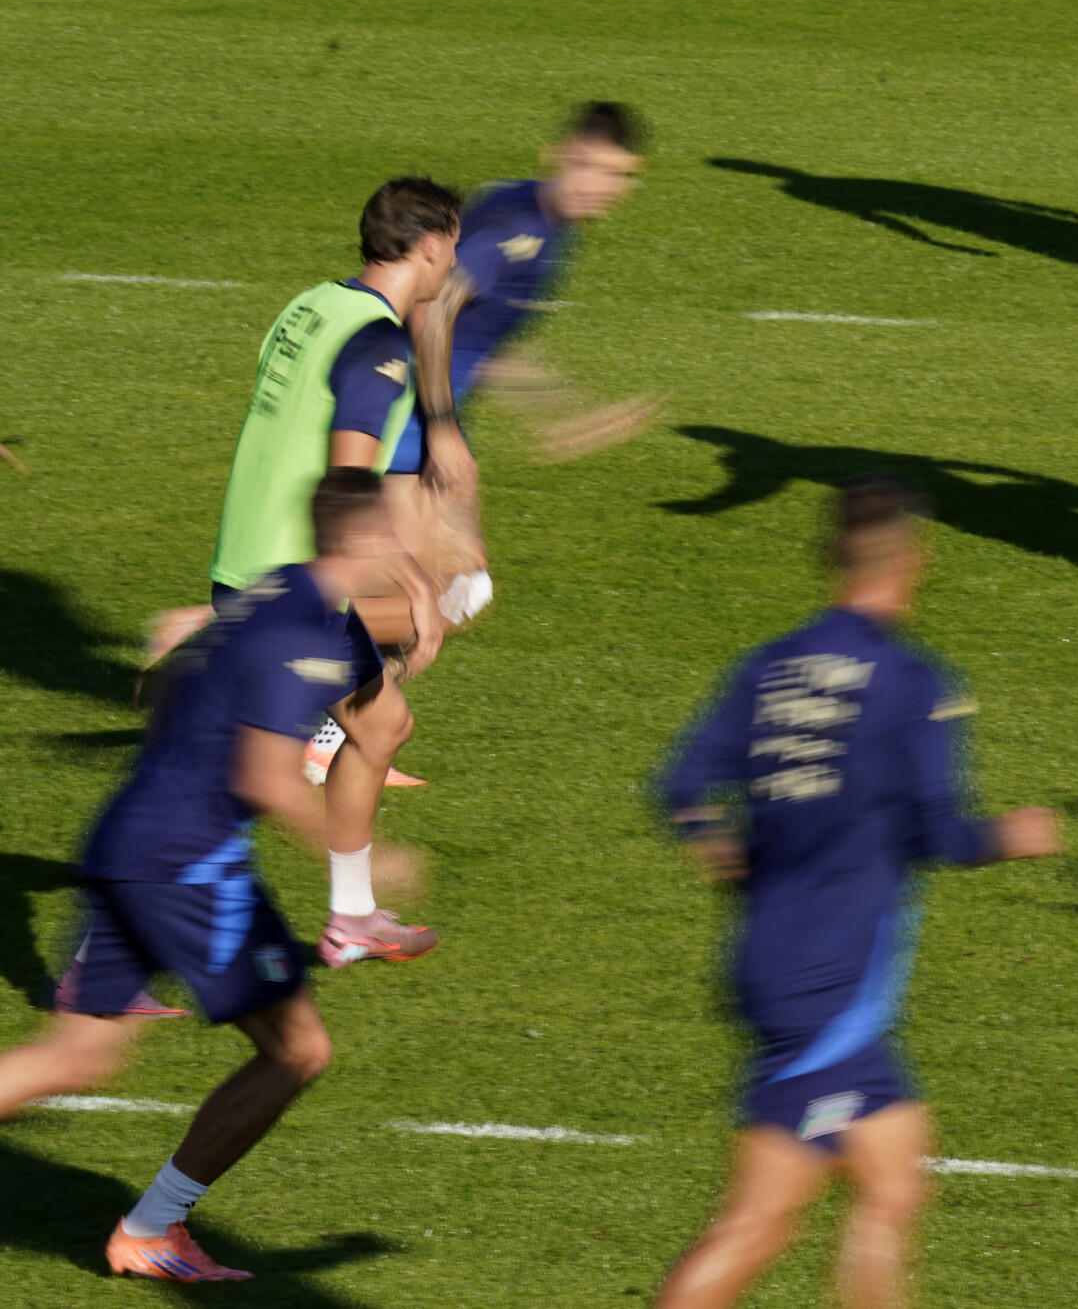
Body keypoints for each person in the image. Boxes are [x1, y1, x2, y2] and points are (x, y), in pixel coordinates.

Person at [0, 471, 429, 1281]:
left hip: (128, 838)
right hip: (187, 865)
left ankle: (150, 1230)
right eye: (398, 537)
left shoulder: (280, 595)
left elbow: (165, 680)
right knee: (296, 1051)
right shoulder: (299, 632)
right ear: (364, 539)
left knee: (73, 1057)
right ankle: (152, 1227)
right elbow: (269, 775)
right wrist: (377, 858)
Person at [655, 475, 1063, 1309]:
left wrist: (721, 850)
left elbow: (683, 785)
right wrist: (1013, 836)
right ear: (914, 559)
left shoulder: (770, 665)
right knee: (761, 1221)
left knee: (893, 1185)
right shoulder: (911, 682)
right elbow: (941, 835)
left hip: (775, 955)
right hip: (830, 983)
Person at [185, 176, 461, 966]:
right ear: (432, 244)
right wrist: (413, 584)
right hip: (290, 575)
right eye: (455, 245)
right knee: (236, 773)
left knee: (378, 723)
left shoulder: (308, 305)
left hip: (246, 555)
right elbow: (349, 481)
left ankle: (352, 917)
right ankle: (120, 923)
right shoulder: (380, 343)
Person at [389, 101, 655, 615]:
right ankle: (229, 638)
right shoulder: (521, 230)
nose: (598, 186)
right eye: (587, 166)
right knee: (425, 600)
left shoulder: (535, 215)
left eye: (615, 175)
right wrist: (442, 432)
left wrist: (561, 410)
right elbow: (430, 313)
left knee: (446, 596)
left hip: (422, 408)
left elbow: (480, 338)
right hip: (398, 411)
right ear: (557, 154)